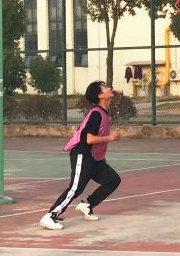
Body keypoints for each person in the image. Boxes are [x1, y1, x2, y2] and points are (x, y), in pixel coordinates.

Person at [40, 81, 123, 230]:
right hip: (82, 154)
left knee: (113, 180)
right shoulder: (96, 114)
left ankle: (87, 205)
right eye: (105, 87)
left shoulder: (104, 112)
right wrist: (111, 137)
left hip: (95, 158)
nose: (109, 88)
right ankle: (50, 216)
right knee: (76, 188)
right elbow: (89, 139)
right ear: (100, 96)